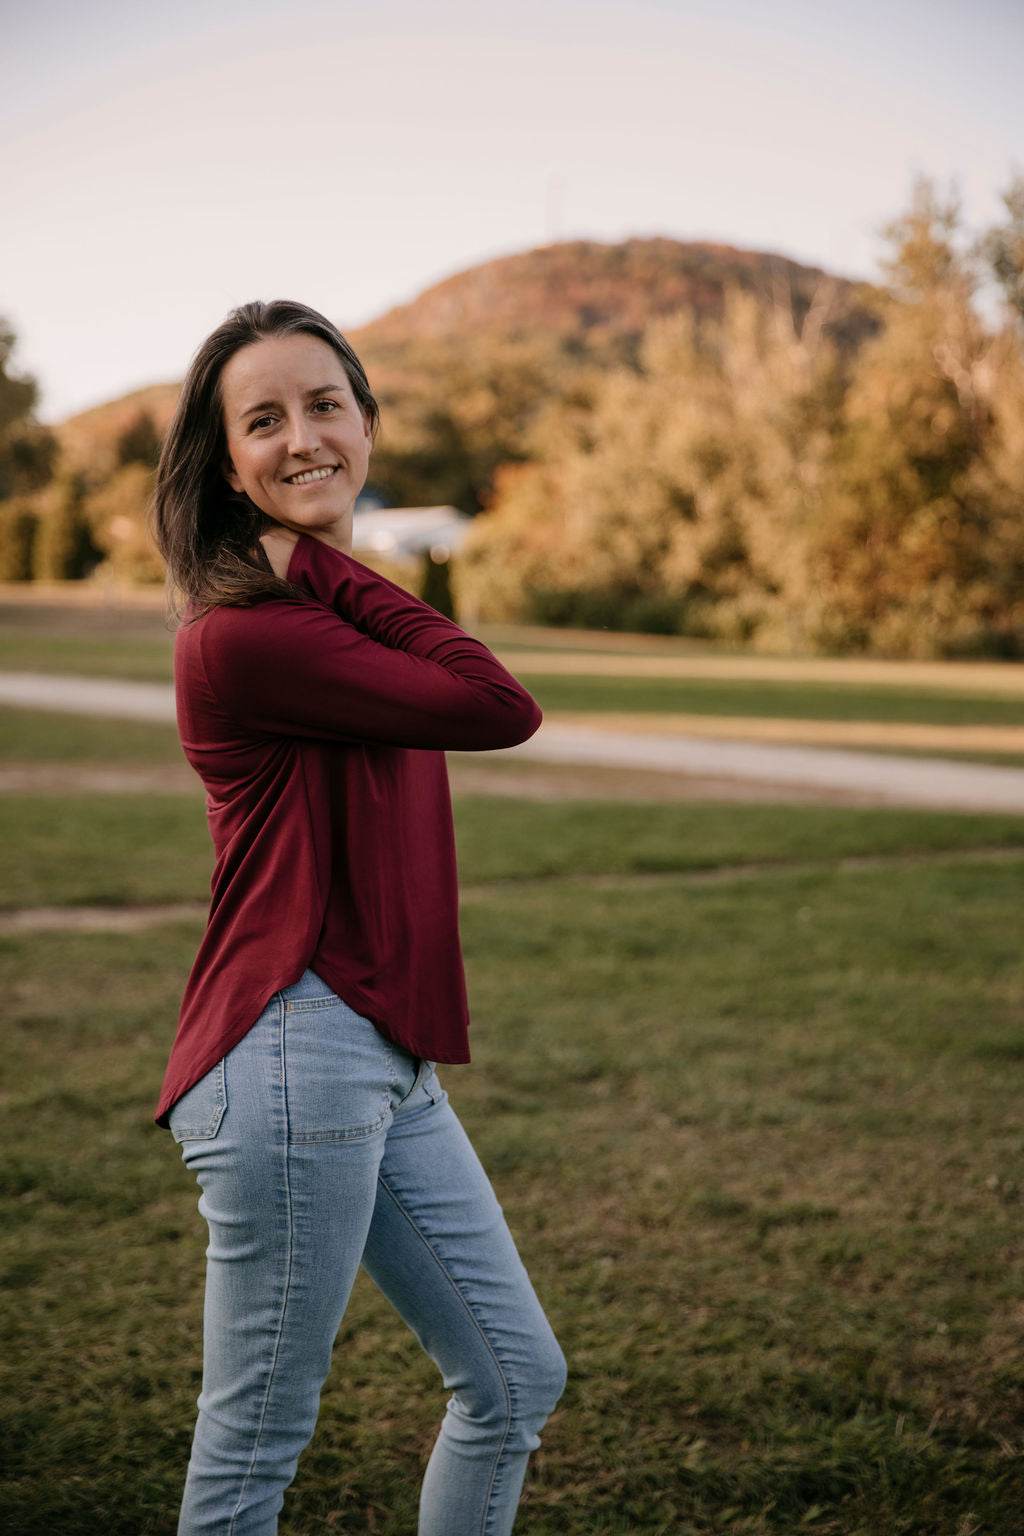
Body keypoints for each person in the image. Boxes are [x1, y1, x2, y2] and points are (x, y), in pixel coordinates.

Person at [151, 299, 566, 1536]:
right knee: (254, 1452)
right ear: (227, 466)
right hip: (295, 1052)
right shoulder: (245, 635)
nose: (302, 439)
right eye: (262, 421)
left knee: (511, 1379)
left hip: (374, 1054)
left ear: (368, 423)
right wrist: (324, 554)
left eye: (325, 405)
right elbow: (496, 701)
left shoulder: (310, 611)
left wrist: (327, 561)